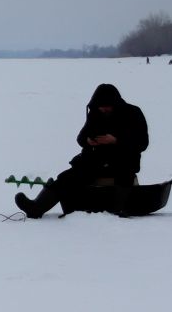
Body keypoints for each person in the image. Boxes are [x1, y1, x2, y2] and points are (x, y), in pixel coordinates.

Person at [15, 84, 150, 218]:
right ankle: (36, 208)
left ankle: (119, 209)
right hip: (94, 161)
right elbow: (81, 138)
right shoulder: (95, 114)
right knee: (66, 178)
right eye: (100, 106)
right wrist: (88, 141)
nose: (103, 109)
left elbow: (143, 142)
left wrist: (115, 141)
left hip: (123, 161)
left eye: (106, 106)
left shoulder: (133, 113)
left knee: (124, 173)